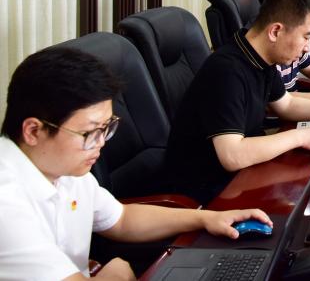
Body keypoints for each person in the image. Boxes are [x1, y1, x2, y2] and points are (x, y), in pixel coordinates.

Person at [0, 47, 272, 279]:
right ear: (33, 131)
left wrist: (208, 218)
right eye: (90, 133)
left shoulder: (65, 168)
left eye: (106, 128)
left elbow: (121, 219)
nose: (101, 143)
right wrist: (116, 273)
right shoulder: (7, 201)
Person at [166, 0, 310, 204]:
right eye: (306, 36)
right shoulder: (226, 71)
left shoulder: (260, 57)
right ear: (275, 31)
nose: (307, 47)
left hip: (244, 175)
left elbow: (287, 104)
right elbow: (232, 155)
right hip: (210, 193)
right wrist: (301, 136)